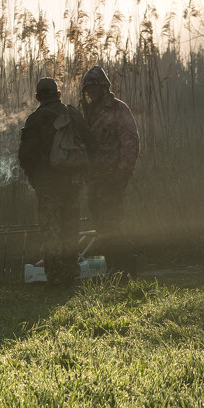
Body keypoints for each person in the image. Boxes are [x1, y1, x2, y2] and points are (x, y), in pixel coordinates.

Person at [18, 77, 91, 286]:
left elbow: (25, 156)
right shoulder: (73, 115)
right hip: (72, 183)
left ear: (37, 97)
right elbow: (90, 143)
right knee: (70, 227)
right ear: (58, 95)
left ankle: (56, 277)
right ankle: (71, 273)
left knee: (51, 230)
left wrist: (36, 180)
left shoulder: (35, 119)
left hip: (48, 186)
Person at [80, 65, 140, 276]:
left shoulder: (117, 109)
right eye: (87, 88)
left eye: (94, 87)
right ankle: (113, 268)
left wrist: (122, 173)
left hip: (113, 177)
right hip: (95, 179)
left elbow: (130, 141)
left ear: (103, 87)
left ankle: (126, 266)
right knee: (101, 225)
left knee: (112, 222)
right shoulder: (89, 111)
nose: (90, 91)